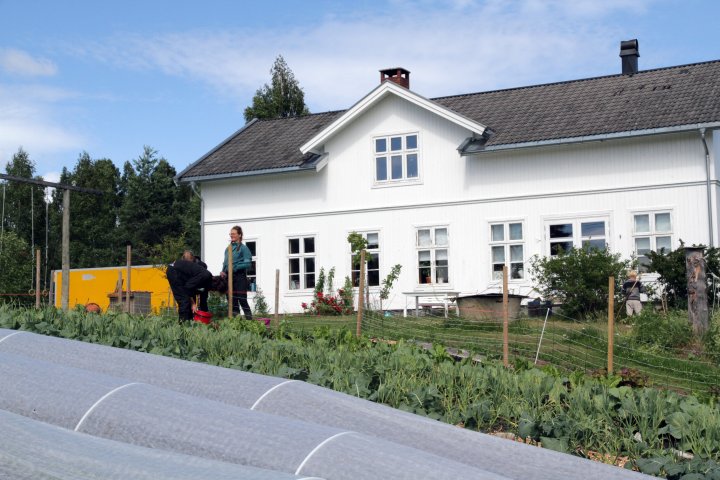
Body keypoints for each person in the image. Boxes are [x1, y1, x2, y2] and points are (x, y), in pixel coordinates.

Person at [166, 250, 213, 321]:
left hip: (198, 284)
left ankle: (202, 317)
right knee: (185, 300)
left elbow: (195, 285)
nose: (187, 265)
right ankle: (186, 322)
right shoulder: (183, 267)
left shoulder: (201, 266)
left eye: (189, 262)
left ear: (193, 258)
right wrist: (193, 303)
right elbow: (187, 288)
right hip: (188, 284)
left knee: (199, 299)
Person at [220, 225, 253, 319]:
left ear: (239, 235)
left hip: (239, 277)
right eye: (231, 234)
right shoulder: (228, 249)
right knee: (232, 301)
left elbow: (248, 264)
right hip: (228, 277)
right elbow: (225, 263)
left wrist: (234, 267)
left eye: (234, 234)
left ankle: (250, 322)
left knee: (242, 300)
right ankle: (237, 324)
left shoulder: (244, 248)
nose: (231, 235)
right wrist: (223, 271)